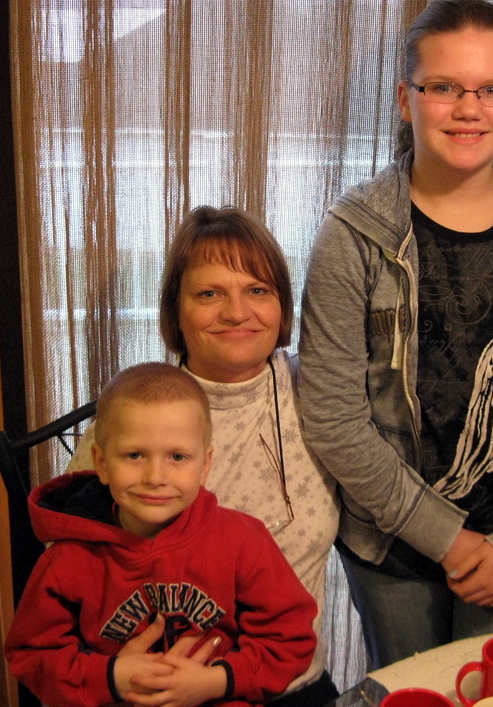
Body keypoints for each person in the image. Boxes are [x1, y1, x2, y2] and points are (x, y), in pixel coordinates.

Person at [298, 0, 493, 668]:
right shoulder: (353, 236)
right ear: (405, 99)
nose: (470, 109)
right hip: (393, 553)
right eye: (444, 87)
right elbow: (332, 415)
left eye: (492, 89)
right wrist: (449, 539)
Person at [68, 206, 340, 707]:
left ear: (282, 306)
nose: (236, 313)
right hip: (160, 691)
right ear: (176, 311)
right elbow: (67, 571)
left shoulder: (321, 393)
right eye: (209, 294)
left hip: (293, 685)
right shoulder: (138, 410)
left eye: (257, 290)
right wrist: (115, 670)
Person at [6, 362, 318, 707]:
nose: (155, 477)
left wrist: (216, 681)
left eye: (177, 456)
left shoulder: (243, 541)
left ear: (205, 465)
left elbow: (291, 639)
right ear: (102, 463)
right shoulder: (69, 558)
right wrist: (112, 677)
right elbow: (32, 656)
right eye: (134, 455)